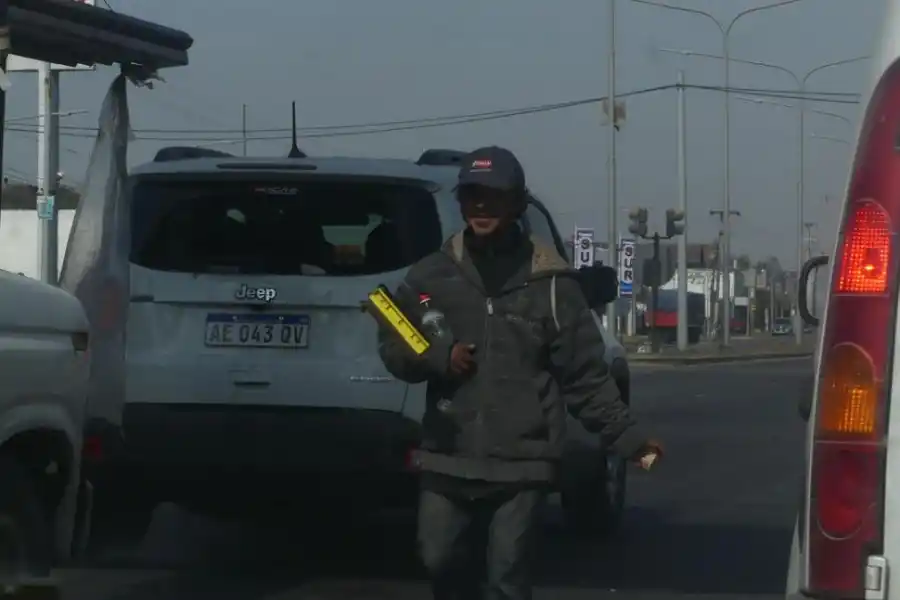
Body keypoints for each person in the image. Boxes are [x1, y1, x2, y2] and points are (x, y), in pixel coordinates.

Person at [376, 146, 662, 600]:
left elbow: (586, 376)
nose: (482, 206)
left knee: (507, 578)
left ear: (517, 203)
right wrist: (438, 357)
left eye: (494, 196)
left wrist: (628, 440)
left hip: (524, 461)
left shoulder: (553, 286)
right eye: (472, 196)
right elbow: (395, 342)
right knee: (439, 559)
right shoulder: (430, 276)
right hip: (447, 452)